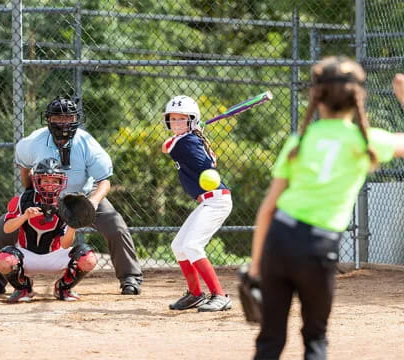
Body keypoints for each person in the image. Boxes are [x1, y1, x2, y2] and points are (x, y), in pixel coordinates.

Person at [248, 57, 404, 359]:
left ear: (315, 96)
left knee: (270, 339)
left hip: (279, 241)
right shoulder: (366, 141)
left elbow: (267, 209)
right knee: (315, 338)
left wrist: (256, 266)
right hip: (318, 248)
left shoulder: (299, 141)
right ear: (358, 97)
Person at [0, 97, 143, 296]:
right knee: (3, 229)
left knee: (116, 227)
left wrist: (92, 202)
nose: (63, 123)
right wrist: (30, 193)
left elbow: (104, 181)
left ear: (76, 119)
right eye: (57, 118)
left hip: (80, 196)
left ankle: (130, 277)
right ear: (48, 120)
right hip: (43, 194)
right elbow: (24, 167)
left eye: (68, 117)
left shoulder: (87, 143)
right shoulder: (33, 142)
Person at [161, 95, 233, 312]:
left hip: (217, 202)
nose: (176, 124)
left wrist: (191, 133)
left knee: (192, 246)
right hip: (209, 202)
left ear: (193, 121)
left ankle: (220, 295)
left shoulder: (185, 142)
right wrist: (193, 131)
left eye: (182, 119)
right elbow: (210, 159)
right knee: (178, 247)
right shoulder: (191, 140)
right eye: (172, 119)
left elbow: (165, 147)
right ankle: (195, 294)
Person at [0, 158, 97, 302]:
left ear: (61, 183)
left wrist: (72, 227)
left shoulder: (65, 205)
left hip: (54, 255)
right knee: (3, 260)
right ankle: (24, 287)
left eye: (55, 181)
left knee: (88, 259)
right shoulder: (23, 200)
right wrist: (24, 217)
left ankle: (63, 287)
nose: (50, 185)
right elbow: (7, 228)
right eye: (46, 180)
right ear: (37, 181)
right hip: (27, 255)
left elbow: (65, 245)